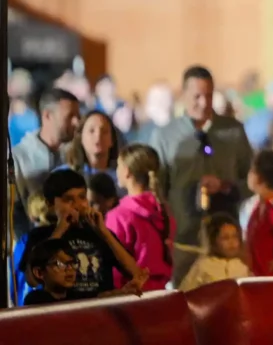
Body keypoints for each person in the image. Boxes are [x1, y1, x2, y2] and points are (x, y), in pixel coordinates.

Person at [150, 65, 253, 286]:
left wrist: (227, 186)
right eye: (197, 96)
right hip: (184, 240)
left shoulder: (233, 131)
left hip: (226, 241)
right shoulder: (165, 136)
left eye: (208, 96)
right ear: (183, 95)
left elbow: (251, 180)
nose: (204, 103)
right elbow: (157, 189)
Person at [18, 169, 149, 300]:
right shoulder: (40, 235)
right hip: (63, 313)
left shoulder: (99, 233)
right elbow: (32, 280)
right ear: (50, 204)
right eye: (68, 199)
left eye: (82, 197)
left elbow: (135, 273)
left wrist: (104, 232)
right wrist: (60, 229)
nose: (77, 205)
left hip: (99, 310)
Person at [105, 144, 176, 291]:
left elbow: (113, 265)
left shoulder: (119, 216)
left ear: (127, 172)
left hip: (130, 296)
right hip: (159, 294)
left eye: (118, 165)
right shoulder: (163, 211)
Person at [12, 88, 81, 237]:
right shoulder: (18, 158)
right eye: (70, 116)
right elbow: (13, 217)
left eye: (78, 116)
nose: (77, 122)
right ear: (47, 116)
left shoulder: (74, 155)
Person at [177, 213, 252, 291]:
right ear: (214, 241)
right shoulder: (203, 266)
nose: (232, 242)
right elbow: (185, 293)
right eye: (225, 238)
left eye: (235, 236)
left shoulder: (242, 267)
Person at [22, 240, 78, 306]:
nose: (70, 268)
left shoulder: (79, 299)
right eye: (60, 264)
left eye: (73, 263)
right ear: (39, 273)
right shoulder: (35, 302)